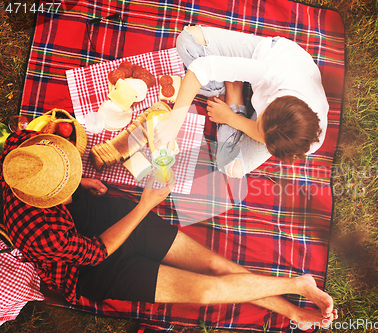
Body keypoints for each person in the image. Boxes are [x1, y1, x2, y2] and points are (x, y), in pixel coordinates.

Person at [1, 130, 337, 328]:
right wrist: (146, 204)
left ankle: (294, 308)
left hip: (99, 215)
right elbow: (95, 253)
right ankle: (298, 288)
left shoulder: (24, 150)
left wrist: (79, 181)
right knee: (205, 291)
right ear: (44, 200)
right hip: (88, 270)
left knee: (214, 264)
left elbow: (56, 171)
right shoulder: (39, 233)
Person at [154, 26, 328, 178]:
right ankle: (227, 86)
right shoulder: (271, 74)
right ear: (271, 100)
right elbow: (200, 68)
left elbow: (264, 134)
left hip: (275, 123)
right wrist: (174, 122)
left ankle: (233, 89)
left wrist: (230, 117)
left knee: (230, 166)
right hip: (269, 54)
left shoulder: (305, 141)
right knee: (188, 40)